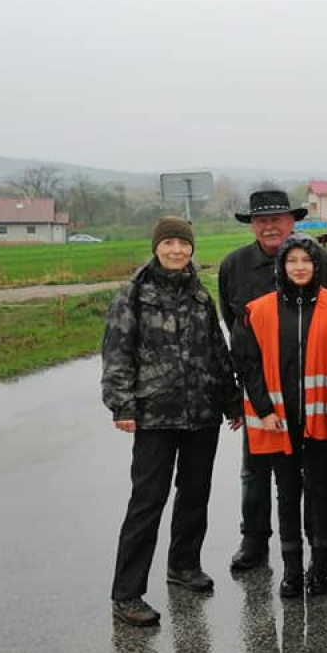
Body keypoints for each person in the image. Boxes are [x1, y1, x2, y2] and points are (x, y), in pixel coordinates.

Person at [102, 216, 242, 626]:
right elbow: (116, 354)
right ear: (156, 246)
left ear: (192, 248)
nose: (177, 250)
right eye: (169, 243)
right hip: (154, 416)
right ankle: (127, 593)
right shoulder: (132, 294)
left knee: (195, 493)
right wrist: (122, 406)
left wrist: (232, 402)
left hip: (202, 415)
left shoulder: (200, 296)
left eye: (184, 243)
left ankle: (183, 565)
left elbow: (217, 352)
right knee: (147, 502)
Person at [221, 188, 327, 572]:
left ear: (292, 222)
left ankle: (320, 547)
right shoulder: (234, 266)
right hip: (265, 396)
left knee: (316, 477)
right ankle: (254, 540)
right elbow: (235, 329)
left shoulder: (321, 260)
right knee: (255, 471)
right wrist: (253, 393)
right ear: (252, 226)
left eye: (277, 219)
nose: (269, 226)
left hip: (312, 394)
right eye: (261, 220)